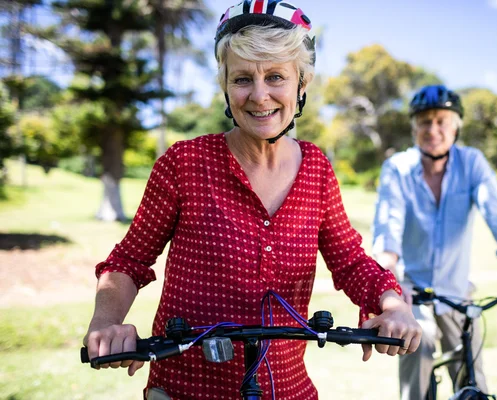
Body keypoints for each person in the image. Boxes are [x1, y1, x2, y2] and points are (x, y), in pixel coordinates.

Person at [83, 1, 422, 399]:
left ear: (301, 83)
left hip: (288, 388)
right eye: (243, 79)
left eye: (275, 76)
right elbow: (130, 259)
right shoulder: (184, 163)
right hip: (186, 388)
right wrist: (106, 323)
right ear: (226, 86)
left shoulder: (316, 168)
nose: (260, 96)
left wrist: (393, 303)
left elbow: (349, 261)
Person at [372, 85, 497, 399]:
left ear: (457, 126)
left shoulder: (472, 164)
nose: (433, 130)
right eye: (425, 121)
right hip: (412, 293)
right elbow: (388, 236)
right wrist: (388, 288)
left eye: (442, 121)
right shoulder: (398, 169)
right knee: (420, 346)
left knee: (474, 380)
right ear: (414, 127)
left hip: (457, 292)